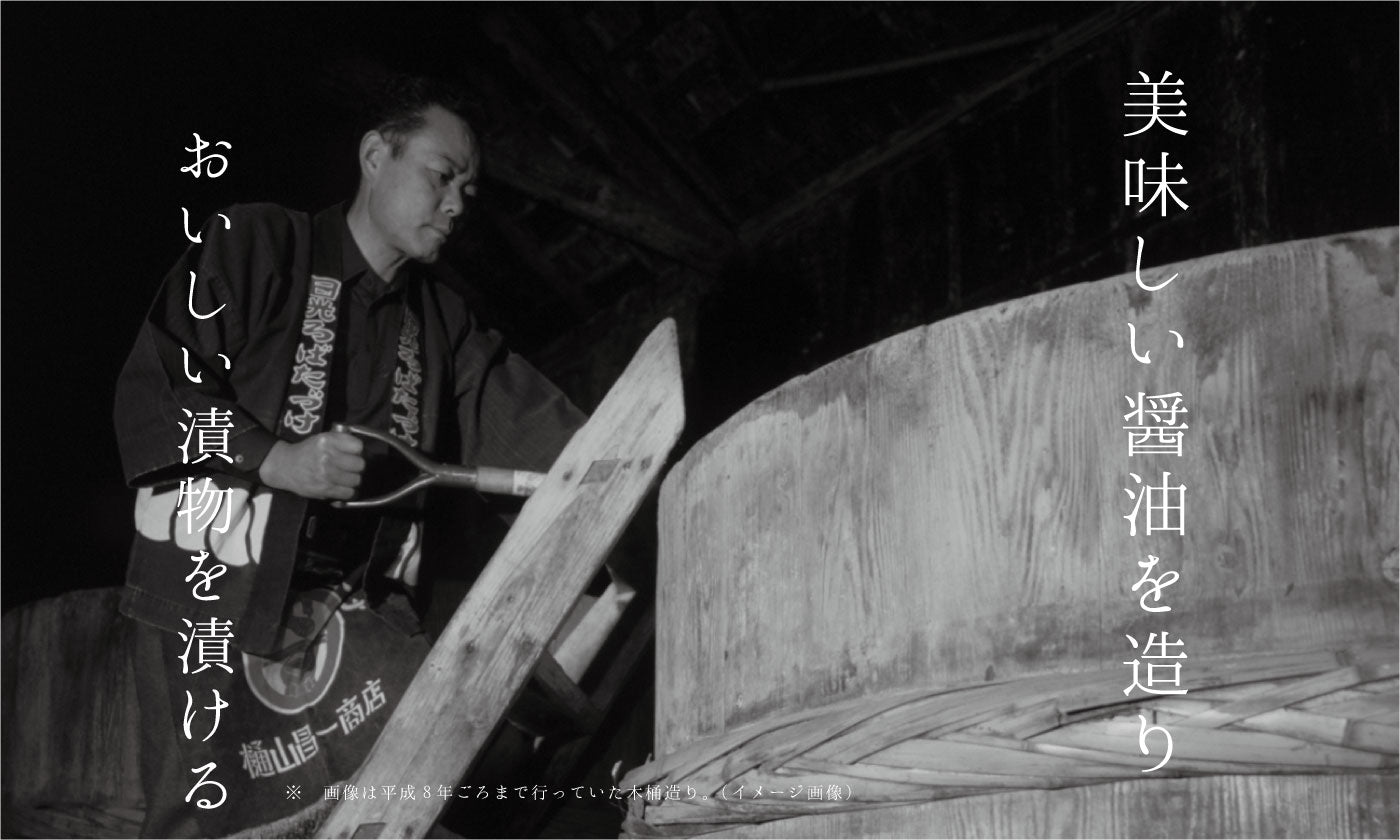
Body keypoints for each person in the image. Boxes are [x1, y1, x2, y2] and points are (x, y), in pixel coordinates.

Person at [113, 73, 586, 837]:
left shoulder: (444, 322)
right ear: (376, 155)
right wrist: (273, 459)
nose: (460, 202)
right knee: (207, 825)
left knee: (421, 795)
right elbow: (159, 385)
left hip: (348, 616)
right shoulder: (260, 244)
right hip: (216, 593)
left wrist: (623, 467)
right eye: (442, 175)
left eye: (470, 187)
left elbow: (535, 425)